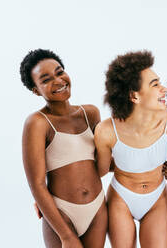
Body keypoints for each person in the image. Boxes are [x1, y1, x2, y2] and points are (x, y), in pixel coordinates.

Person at [94, 50, 167, 248]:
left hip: (156, 198)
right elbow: (97, 172)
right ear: (134, 96)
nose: (164, 88)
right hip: (121, 199)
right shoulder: (107, 130)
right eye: (155, 84)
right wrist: (52, 197)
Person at [20, 49, 107, 248]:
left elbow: (105, 163)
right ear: (35, 90)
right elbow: (37, 184)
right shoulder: (37, 123)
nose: (58, 81)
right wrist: (66, 236)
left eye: (60, 72)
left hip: (97, 211)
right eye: (46, 79)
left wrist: (153, 164)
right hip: (62, 214)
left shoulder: (90, 113)